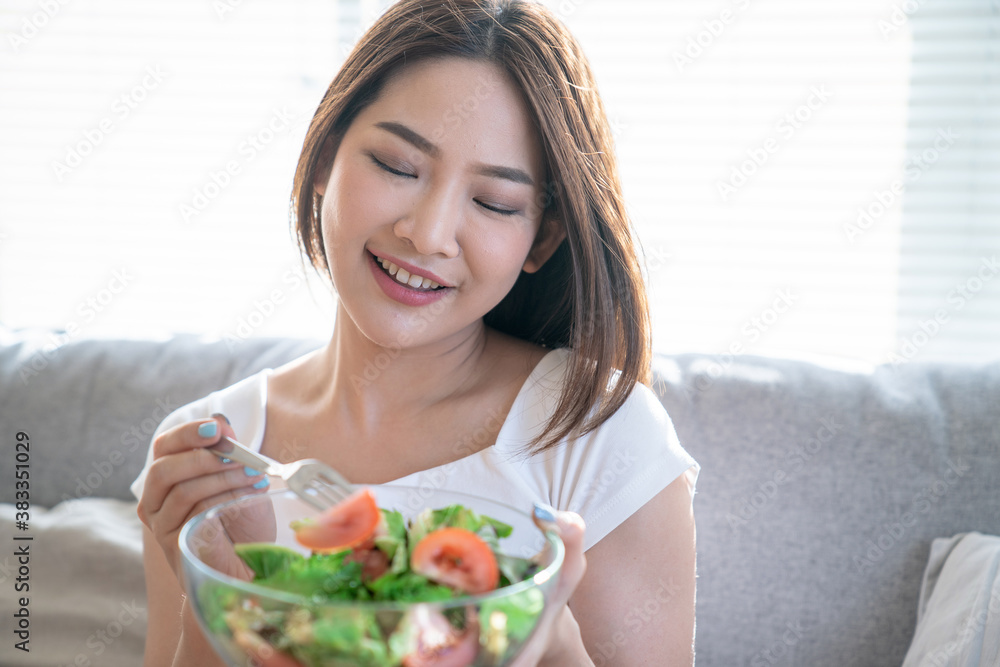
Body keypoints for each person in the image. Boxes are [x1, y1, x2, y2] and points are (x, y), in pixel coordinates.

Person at [132, 0, 699, 665]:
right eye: (399, 166)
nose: (427, 234)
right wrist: (223, 594)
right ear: (324, 159)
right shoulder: (212, 450)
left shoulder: (599, 433)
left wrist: (547, 640)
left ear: (540, 239)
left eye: (493, 202)